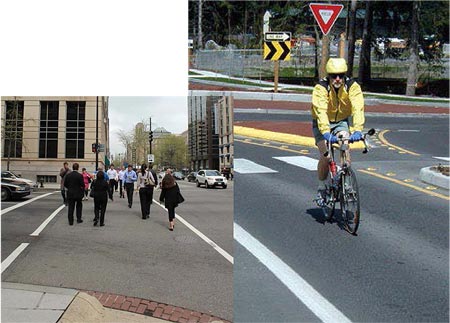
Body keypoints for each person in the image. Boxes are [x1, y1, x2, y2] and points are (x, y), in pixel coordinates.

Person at [311, 58, 365, 202]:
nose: (337, 79)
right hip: (322, 123)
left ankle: (346, 184)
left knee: (345, 145)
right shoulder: (320, 88)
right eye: (334, 76)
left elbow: (358, 107)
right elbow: (321, 111)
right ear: (328, 76)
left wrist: (358, 130)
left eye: (341, 75)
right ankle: (322, 187)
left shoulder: (352, 86)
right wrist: (326, 132)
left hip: (341, 121)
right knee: (326, 156)